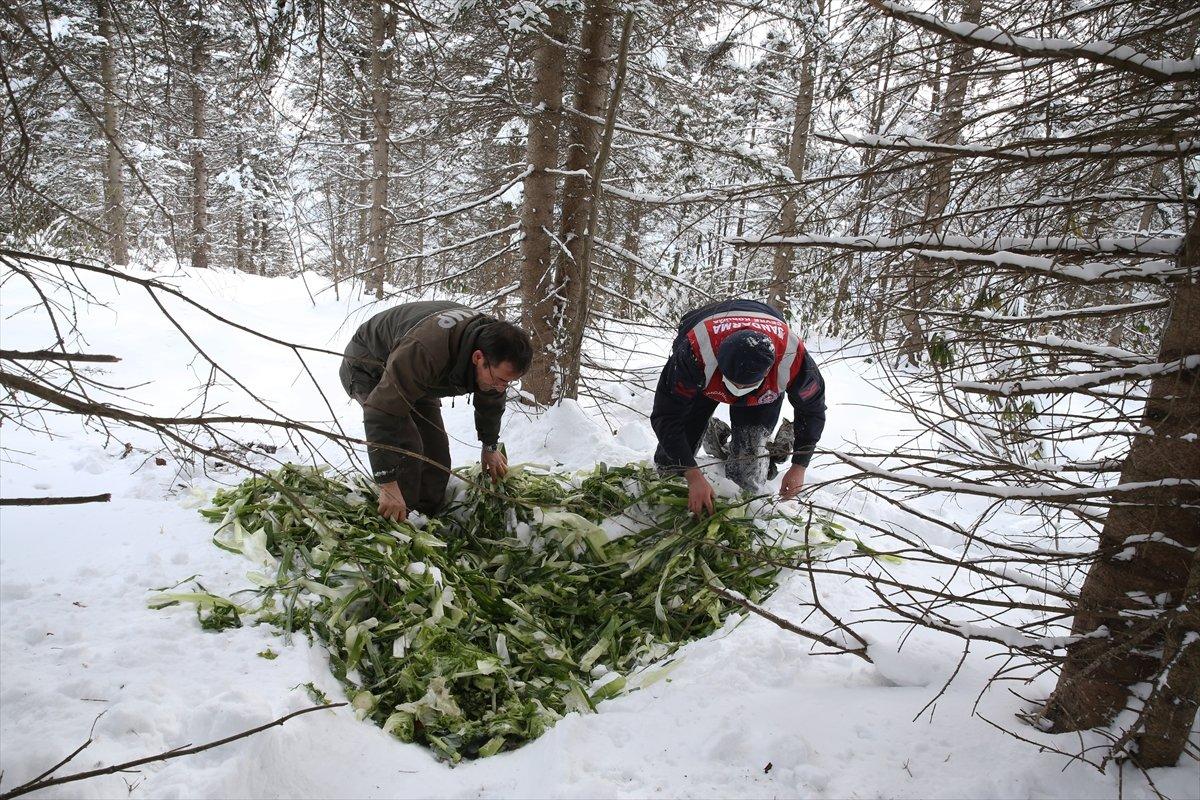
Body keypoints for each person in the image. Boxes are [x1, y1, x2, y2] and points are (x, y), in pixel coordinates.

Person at [339, 300, 533, 522]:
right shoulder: (425, 350)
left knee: (436, 454)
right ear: (478, 358)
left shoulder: (494, 348)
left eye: (507, 383)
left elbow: (491, 396)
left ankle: (426, 518)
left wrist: (489, 445)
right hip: (369, 366)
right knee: (408, 448)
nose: (502, 388)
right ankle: (398, 524)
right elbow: (380, 412)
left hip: (418, 376)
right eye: (500, 380)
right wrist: (388, 483)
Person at [650, 299, 826, 516]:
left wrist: (800, 465)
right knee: (670, 467)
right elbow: (666, 415)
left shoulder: (792, 359)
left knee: (746, 478)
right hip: (706, 376)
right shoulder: (694, 353)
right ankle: (709, 428)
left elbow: (813, 410)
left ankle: (764, 450)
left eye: (744, 385)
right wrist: (692, 475)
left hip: (762, 393)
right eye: (734, 383)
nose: (736, 391)